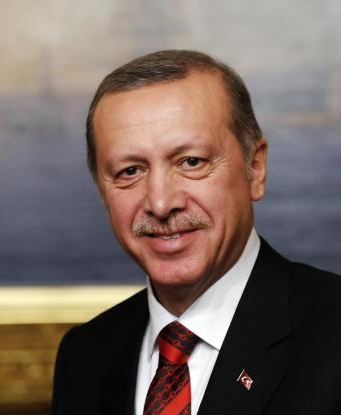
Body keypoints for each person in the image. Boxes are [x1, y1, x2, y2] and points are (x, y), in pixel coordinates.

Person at [52, 50, 341, 415]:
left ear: (256, 167)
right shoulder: (84, 356)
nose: (160, 202)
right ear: (101, 190)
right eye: (130, 171)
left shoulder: (332, 333)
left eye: (191, 162)